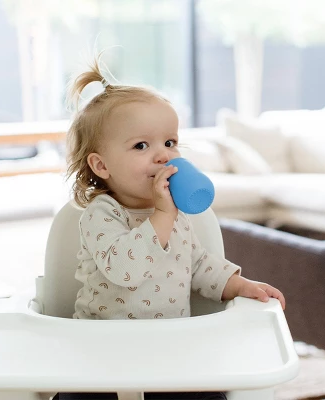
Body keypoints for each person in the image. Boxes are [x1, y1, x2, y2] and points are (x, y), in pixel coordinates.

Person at [54, 55, 285, 400]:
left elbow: (197, 265)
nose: (163, 155)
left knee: (211, 392)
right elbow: (125, 269)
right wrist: (162, 215)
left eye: (170, 142)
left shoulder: (176, 214)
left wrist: (240, 285)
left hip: (172, 352)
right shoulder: (101, 215)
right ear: (101, 166)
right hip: (103, 355)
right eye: (141, 145)